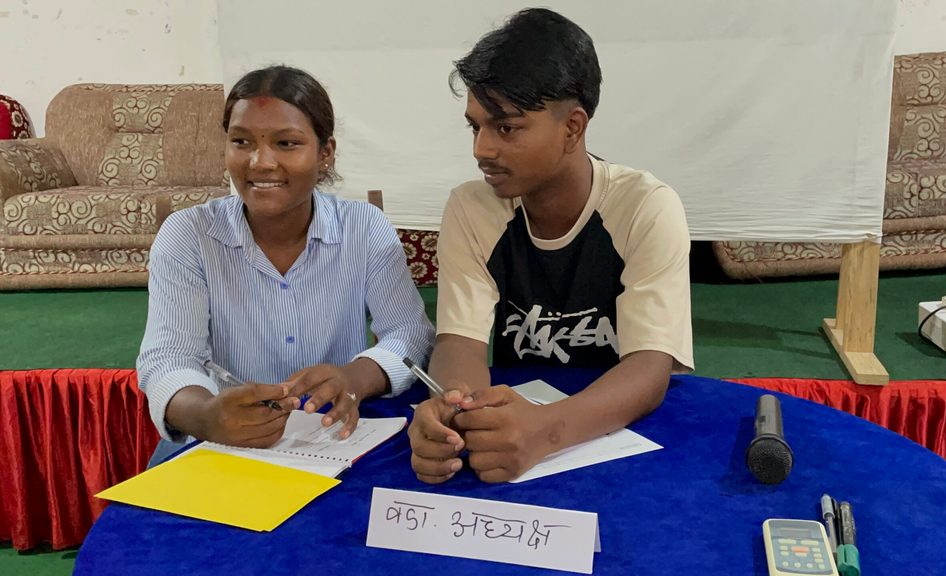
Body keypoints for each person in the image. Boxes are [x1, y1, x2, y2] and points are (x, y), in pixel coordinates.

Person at [409, 8, 693, 484]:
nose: (481, 148)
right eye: (474, 127)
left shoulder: (646, 206)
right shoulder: (470, 207)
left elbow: (649, 368)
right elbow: (460, 342)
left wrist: (546, 431)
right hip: (516, 432)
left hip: (621, 437)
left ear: (573, 128)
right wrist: (457, 410)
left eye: (506, 127)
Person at [138, 65, 434, 466]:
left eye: (286, 143)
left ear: (325, 153)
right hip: (221, 439)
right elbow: (169, 358)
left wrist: (354, 378)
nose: (260, 162)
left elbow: (409, 332)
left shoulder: (364, 227)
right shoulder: (189, 235)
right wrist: (207, 414)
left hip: (334, 435)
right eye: (241, 141)